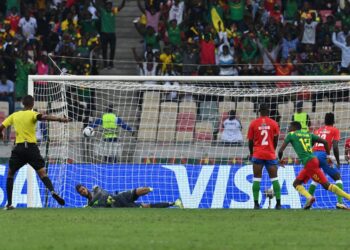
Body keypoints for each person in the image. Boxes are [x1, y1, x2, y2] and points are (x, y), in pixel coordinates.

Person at [0, 95, 68, 210]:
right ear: (32, 104)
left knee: (10, 174)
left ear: (22, 103)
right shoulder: (33, 114)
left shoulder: (14, 115)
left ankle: (9, 204)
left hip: (19, 149)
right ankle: (52, 191)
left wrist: (1, 135)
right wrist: (60, 119)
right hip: (32, 148)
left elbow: (1, 127)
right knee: (42, 174)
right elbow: (44, 117)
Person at [278, 121, 350, 209]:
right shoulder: (309, 134)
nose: (288, 128)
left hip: (310, 163)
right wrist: (327, 156)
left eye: (290, 126)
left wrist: (280, 160)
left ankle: (348, 197)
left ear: (294, 127)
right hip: (311, 161)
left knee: (326, 185)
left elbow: (280, 151)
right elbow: (325, 142)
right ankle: (309, 197)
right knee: (296, 183)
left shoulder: (291, 135)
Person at [308, 113, 347, 209]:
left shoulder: (318, 130)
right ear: (334, 121)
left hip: (313, 156)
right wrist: (337, 161)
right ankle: (339, 202)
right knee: (338, 177)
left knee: (316, 179)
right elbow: (335, 146)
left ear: (324, 121)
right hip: (323, 156)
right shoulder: (335, 130)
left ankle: (308, 201)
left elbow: (311, 144)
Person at [247, 103, 281, 209]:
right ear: (268, 111)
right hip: (270, 154)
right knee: (274, 179)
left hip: (258, 154)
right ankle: (278, 204)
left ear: (259, 111)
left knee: (257, 179)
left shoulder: (253, 123)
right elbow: (276, 140)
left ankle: (256, 204)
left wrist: (252, 153)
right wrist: (272, 150)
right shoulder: (274, 123)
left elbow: (250, 141)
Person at [76, 184, 184, 208]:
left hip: (119, 197)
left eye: (83, 189)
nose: (83, 192)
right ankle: (174, 203)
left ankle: (154, 188)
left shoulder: (95, 189)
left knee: (137, 191)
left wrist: (92, 203)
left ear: (86, 187)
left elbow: (103, 193)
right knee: (146, 207)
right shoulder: (89, 205)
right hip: (120, 206)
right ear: (80, 194)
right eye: (81, 192)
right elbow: (102, 208)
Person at [94, 0, 126, 69]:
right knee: (104, 49)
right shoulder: (103, 11)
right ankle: (105, 64)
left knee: (112, 49)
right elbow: (96, 6)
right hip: (104, 34)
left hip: (112, 34)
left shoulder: (113, 11)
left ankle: (111, 64)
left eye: (110, 5)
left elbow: (122, 6)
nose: (109, 6)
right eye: (107, 5)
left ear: (111, 6)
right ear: (105, 6)